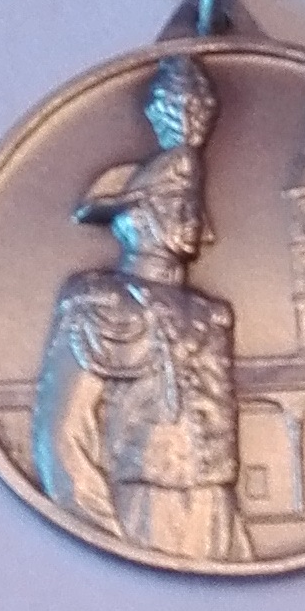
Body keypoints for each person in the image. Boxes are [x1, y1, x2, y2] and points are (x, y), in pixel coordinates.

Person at [31, 52, 252, 563]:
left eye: (193, 203)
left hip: (215, 508)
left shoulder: (212, 315)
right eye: (176, 204)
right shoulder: (98, 303)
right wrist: (106, 539)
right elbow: (63, 436)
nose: (191, 216)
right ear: (138, 215)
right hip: (139, 510)